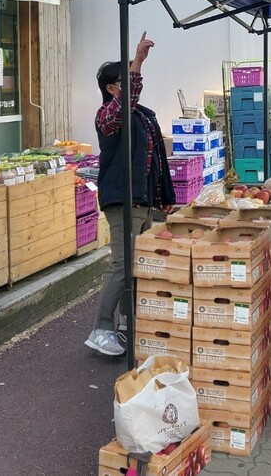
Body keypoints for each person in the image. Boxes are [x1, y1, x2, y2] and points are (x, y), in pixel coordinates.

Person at [86, 31, 176, 356]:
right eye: (125, 79)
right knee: (122, 264)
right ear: (112, 88)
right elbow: (126, 102)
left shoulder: (143, 117)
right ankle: (101, 328)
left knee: (135, 264)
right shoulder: (108, 115)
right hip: (121, 199)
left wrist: (164, 195)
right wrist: (137, 61)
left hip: (142, 200)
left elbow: (156, 159)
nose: (132, 83)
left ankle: (126, 322)